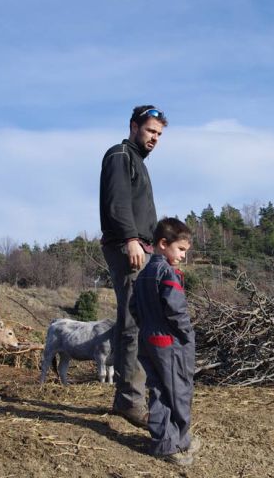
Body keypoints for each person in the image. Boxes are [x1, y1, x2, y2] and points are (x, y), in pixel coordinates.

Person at [99, 105, 168, 427]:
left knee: (137, 322)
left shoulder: (136, 161)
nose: (154, 138)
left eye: (159, 134)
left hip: (142, 248)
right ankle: (129, 401)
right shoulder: (120, 156)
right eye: (150, 130)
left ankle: (126, 397)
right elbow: (116, 203)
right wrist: (130, 239)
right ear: (133, 126)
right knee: (132, 323)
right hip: (129, 248)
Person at [130, 217, 200, 466]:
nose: (183, 256)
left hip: (147, 340)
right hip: (169, 343)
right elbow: (177, 311)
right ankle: (177, 442)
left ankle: (164, 440)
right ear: (163, 243)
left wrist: (146, 327)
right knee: (179, 391)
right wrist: (187, 335)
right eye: (180, 249)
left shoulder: (142, 275)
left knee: (158, 390)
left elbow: (133, 307)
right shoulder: (167, 272)